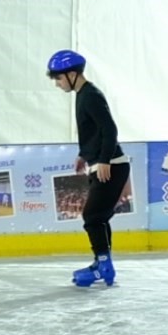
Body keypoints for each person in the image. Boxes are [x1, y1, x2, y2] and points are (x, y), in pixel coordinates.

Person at [47, 49, 129, 287]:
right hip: (102, 164)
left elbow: (109, 129)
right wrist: (85, 155)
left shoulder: (91, 95)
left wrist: (103, 159)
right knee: (98, 217)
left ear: (72, 74)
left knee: (92, 216)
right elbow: (93, 130)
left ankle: (103, 266)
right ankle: (102, 264)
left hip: (111, 165)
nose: (57, 84)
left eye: (59, 79)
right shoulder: (82, 95)